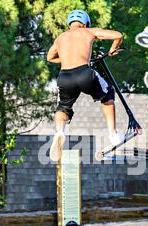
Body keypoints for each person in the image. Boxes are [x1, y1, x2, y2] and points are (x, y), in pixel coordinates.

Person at [47, 9, 125, 161]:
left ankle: (59, 132)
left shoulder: (61, 37)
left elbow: (50, 57)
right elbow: (118, 35)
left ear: (70, 24)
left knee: (63, 107)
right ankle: (113, 134)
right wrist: (112, 48)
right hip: (84, 73)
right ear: (85, 23)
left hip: (64, 77)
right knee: (107, 93)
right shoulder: (88, 31)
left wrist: (66, 59)